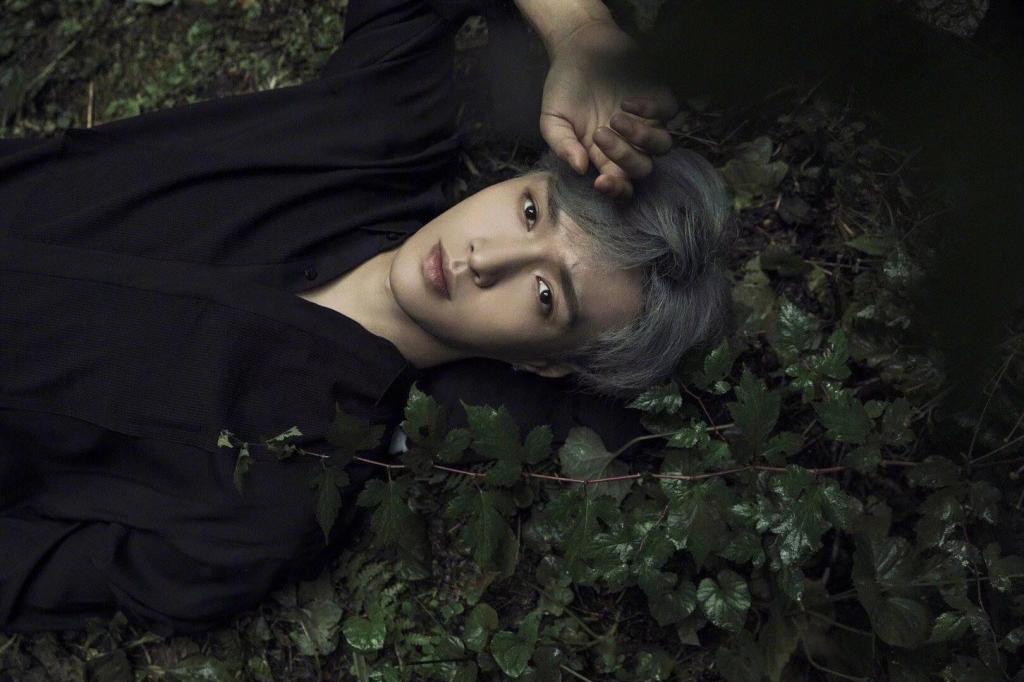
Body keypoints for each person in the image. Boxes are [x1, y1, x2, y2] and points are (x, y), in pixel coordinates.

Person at [0, 0, 731, 634]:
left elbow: (40, 570)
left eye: (545, 295)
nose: (486, 258)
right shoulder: (379, 136)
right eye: (531, 211)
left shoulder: (282, 497)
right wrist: (581, 35)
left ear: (543, 363)